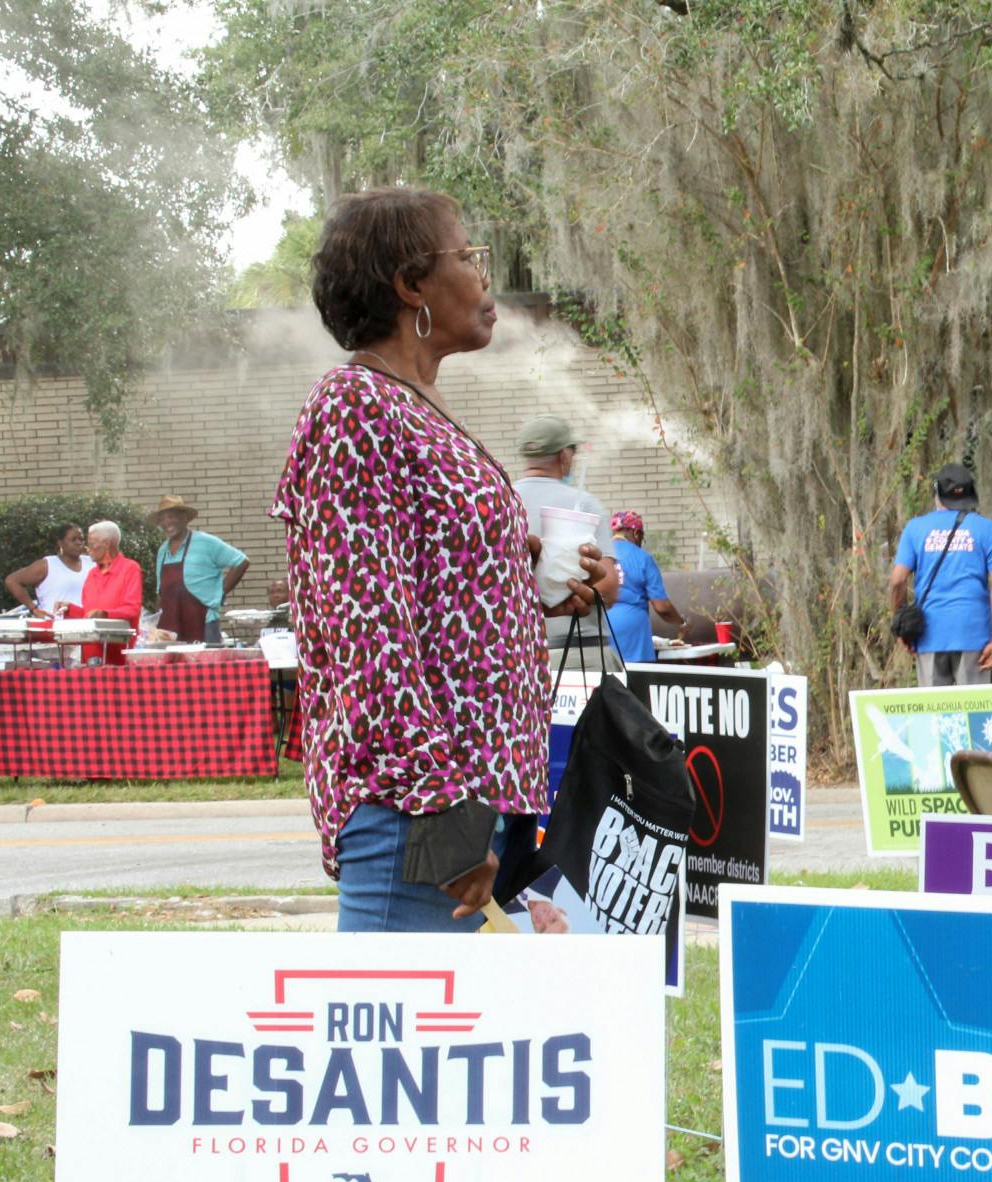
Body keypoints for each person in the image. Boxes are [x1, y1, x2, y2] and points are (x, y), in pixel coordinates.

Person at [273, 187, 620, 934]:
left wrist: (550, 589)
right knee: (394, 1048)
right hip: (421, 818)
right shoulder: (355, 409)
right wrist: (445, 823)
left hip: (473, 802)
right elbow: (368, 635)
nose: (482, 276)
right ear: (410, 285)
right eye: (467, 256)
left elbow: (441, 597)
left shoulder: (415, 405)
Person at [890, 463, 992, 687]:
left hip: (929, 636)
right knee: (973, 714)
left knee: (935, 716)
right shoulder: (988, 530)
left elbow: (897, 581)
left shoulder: (915, 529)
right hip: (975, 636)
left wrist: (901, 624)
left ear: (937, 493)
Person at [511, 414, 617, 649]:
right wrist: (572, 595)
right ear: (564, 455)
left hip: (520, 651)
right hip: (579, 649)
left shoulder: (503, 500)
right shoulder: (585, 505)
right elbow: (609, 587)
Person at [148, 496, 249, 646]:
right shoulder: (163, 550)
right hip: (169, 627)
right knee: (173, 669)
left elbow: (241, 561)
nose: (166, 522)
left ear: (184, 518)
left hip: (204, 621)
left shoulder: (205, 542)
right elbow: (160, 592)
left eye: (171, 516)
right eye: (162, 519)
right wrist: (155, 626)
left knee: (206, 667)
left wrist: (220, 593)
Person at [604, 511, 685, 665]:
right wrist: (681, 623)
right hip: (634, 638)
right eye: (642, 537)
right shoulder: (643, 558)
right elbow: (662, 607)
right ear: (636, 533)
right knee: (637, 685)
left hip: (602, 631)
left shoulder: (601, 555)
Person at [57, 521, 144, 664]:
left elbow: (133, 609)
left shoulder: (130, 568)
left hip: (118, 657)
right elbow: (89, 614)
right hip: (90, 656)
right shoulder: (92, 574)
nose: (88, 549)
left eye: (91, 544)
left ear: (107, 544)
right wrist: (69, 609)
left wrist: (105, 614)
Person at [3, 524, 89, 614]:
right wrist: (34, 609)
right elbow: (12, 581)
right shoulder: (48, 564)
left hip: (89, 624)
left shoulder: (92, 563)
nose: (79, 543)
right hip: (55, 624)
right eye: (73, 539)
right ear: (60, 543)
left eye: (81, 539)